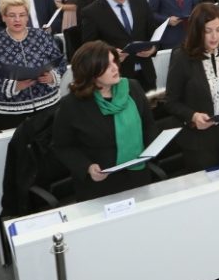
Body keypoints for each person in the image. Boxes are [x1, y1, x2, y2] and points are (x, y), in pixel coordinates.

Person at [53, 40, 158, 201]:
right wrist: (87, 167)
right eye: (107, 66)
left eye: (114, 61)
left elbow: (148, 125)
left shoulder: (133, 88)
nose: (115, 68)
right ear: (91, 71)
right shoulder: (72, 105)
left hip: (138, 177)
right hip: (100, 186)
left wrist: (153, 148)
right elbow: (63, 147)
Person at [165, 3, 219, 172]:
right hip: (199, 141)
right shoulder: (181, 56)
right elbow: (171, 102)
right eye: (208, 31)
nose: (215, 37)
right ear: (197, 30)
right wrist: (193, 116)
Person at [0, 0, 68, 129]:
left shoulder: (42, 36)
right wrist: (14, 86)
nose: (17, 20)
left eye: (22, 15)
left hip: (49, 106)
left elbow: (61, 62)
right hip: (10, 112)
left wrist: (52, 76)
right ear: (3, 17)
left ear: (27, 17)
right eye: (12, 15)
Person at [81, 0, 158, 90]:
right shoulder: (91, 12)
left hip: (146, 74)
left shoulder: (141, 2)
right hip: (116, 77)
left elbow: (153, 33)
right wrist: (109, 53)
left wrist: (153, 48)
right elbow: (89, 46)